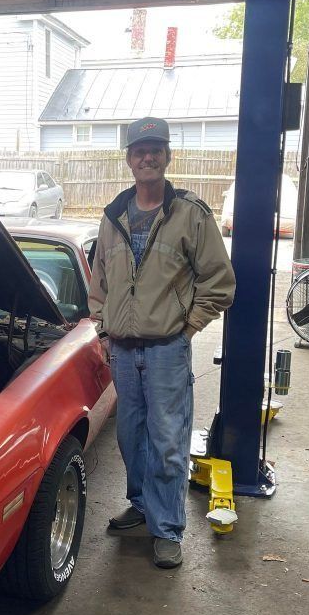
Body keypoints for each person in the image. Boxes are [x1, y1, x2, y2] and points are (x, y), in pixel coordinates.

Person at [88, 116, 236, 569]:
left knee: (168, 440)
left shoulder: (190, 213)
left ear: (167, 156)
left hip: (167, 349)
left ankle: (167, 528)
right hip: (122, 349)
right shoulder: (113, 214)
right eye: (139, 151)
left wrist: (187, 328)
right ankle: (142, 505)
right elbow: (100, 282)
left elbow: (219, 282)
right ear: (129, 159)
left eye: (155, 149)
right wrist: (102, 327)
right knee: (132, 437)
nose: (147, 157)